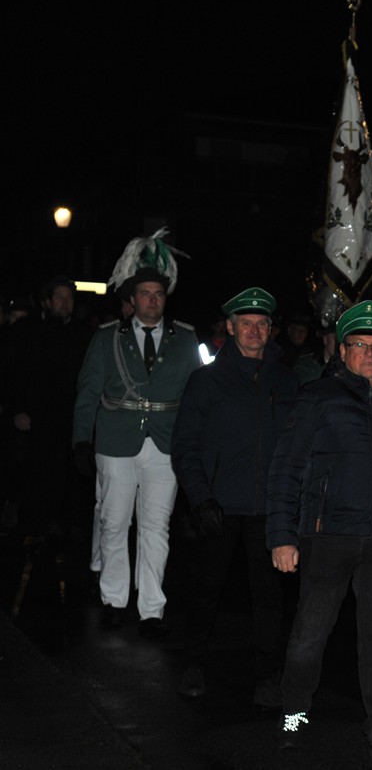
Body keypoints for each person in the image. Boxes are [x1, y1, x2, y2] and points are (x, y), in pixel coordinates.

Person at [267, 300, 372, 769]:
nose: (369, 354)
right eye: (359, 345)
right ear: (343, 350)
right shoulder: (317, 396)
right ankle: (294, 714)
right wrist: (282, 535)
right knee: (310, 632)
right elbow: (286, 467)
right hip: (328, 534)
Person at [171, 287, 299, 704]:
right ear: (230, 327)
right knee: (206, 588)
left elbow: (297, 445)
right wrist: (200, 497)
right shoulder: (207, 380)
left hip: (268, 508)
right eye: (246, 323)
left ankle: (267, 676)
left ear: (270, 329)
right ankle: (193, 663)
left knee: (268, 595)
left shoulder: (285, 380)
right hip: (219, 505)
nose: (254, 331)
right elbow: (185, 444)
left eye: (262, 324)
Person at [73, 260, 200, 638]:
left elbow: (196, 396)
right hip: (115, 440)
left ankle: (152, 609)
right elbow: (88, 391)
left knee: (156, 527)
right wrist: (81, 439)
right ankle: (114, 600)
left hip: (165, 441)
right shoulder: (108, 337)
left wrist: (196, 442)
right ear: (133, 299)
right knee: (114, 522)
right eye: (145, 294)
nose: (153, 300)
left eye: (158, 294)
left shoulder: (186, 338)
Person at [5, 275, 93, 541]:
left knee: (66, 472)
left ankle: (61, 523)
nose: (65, 303)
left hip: (69, 416)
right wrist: (18, 409)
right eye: (60, 297)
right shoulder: (27, 331)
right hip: (36, 417)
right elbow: (13, 373)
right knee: (36, 471)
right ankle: (33, 525)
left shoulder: (82, 334)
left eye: (69, 298)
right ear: (47, 302)